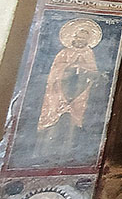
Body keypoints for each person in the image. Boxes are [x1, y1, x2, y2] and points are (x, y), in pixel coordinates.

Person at [37, 19, 102, 156]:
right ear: (74, 37)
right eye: (79, 37)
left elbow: (93, 71)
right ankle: (45, 152)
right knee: (55, 120)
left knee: (73, 122)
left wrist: (87, 72)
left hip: (79, 92)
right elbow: (56, 70)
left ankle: (67, 152)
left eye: (84, 39)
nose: (81, 41)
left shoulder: (89, 54)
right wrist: (71, 67)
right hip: (61, 90)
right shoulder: (65, 52)